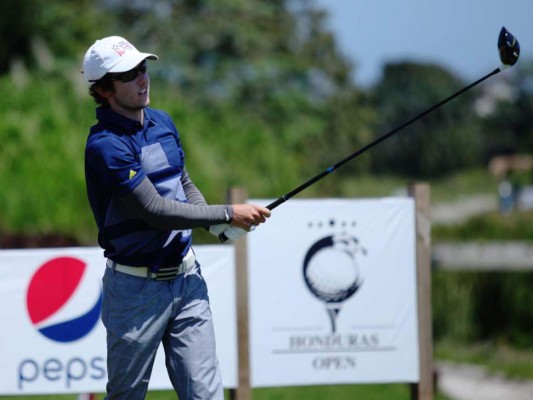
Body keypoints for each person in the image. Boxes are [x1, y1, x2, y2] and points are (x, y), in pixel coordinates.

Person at [82, 36, 270, 400]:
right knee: (126, 396)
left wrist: (213, 223)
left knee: (205, 394)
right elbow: (155, 210)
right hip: (135, 289)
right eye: (129, 74)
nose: (143, 78)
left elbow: (181, 182)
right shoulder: (105, 145)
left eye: (143, 68)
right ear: (104, 89)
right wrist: (227, 212)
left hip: (187, 280)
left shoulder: (163, 122)